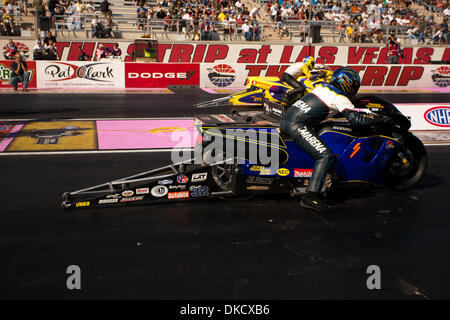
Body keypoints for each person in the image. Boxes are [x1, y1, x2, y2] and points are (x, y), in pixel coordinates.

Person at [280, 67, 392, 212]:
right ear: (348, 83)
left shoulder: (324, 87)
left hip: (289, 119)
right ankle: (311, 196)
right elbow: (356, 119)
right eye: (354, 86)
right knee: (325, 156)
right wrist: (380, 119)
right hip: (297, 124)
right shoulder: (339, 97)